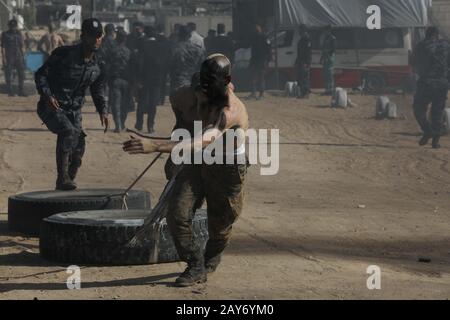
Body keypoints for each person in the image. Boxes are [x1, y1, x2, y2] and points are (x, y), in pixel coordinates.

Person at [123, 54, 249, 287]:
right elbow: (181, 119)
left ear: (225, 82)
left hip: (227, 167)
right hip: (196, 160)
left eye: (210, 85)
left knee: (220, 226)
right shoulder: (184, 95)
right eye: (202, 84)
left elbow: (205, 139)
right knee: (177, 214)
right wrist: (178, 142)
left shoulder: (230, 110)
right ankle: (195, 265)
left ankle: (211, 259)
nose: (204, 90)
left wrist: (155, 145)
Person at [35, 18, 109, 191]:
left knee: (79, 149)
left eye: (99, 36)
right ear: (83, 37)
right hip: (52, 107)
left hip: (74, 111)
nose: (96, 40)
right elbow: (41, 75)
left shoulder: (99, 64)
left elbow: (97, 90)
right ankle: (62, 179)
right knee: (67, 132)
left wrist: (103, 111)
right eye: (92, 36)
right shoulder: (63, 54)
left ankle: (66, 185)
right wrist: (47, 95)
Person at [411, 27, 450, 149]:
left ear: (427, 35)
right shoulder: (447, 45)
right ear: (437, 35)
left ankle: (428, 131)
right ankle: (436, 142)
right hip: (442, 84)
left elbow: (413, 63)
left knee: (418, 109)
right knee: (437, 112)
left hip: (426, 84)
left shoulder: (421, 46)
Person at [135, 26, 168, 133]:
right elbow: (164, 63)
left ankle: (139, 124)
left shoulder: (142, 45)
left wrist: (138, 78)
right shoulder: (161, 47)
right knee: (153, 103)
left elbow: (139, 63)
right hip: (157, 79)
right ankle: (150, 126)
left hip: (144, 78)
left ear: (146, 34)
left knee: (142, 101)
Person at [109, 29, 133, 133]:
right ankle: (122, 123)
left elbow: (107, 66)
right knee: (125, 104)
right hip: (127, 81)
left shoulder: (112, 51)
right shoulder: (129, 52)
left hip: (115, 80)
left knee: (116, 104)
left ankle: (118, 125)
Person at [169, 25, 205, 93]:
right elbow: (202, 67)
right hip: (193, 81)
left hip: (178, 81)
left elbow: (170, 65)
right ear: (189, 36)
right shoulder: (198, 50)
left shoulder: (174, 49)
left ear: (179, 35)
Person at [1, 19, 26, 97]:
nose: (13, 28)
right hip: (9, 56)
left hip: (18, 56)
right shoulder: (5, 34)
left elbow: (22, 46)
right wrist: (3, 58)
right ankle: (10, 91)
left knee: (21, 74)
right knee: (8, 74)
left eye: (14, 26)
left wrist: (23, 56)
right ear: (9, 26)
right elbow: (3, 47)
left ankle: (20, 91)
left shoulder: (19, 34)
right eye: (11, 26)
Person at [248, 24, 271, 100]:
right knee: (253, 77)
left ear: (260, 30)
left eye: (257, 29)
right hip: (254, 59)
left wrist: (268, 60)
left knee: (261, 77)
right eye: (255, 30)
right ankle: (253, 93)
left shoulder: (265, 38)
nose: (256, 31)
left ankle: (261, 93)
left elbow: (269, 49)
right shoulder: (253, 38)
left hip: (262, 59)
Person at [295, 24, 312, 99]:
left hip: (305, 61)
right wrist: (297, 61)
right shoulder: (301, 40)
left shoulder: (307, 40)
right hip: (300, 61)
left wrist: (308, 63)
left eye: (301, 30)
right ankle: (302, 92)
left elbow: (308, 53)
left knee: (305, 77)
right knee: (300, 77)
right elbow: (299, 52)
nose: (299, 32)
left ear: (304, 31)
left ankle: (306, 93)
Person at [320, 25, 336, 96]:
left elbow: (333, 49)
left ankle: (331, 90)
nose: (325, 31)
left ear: (329, 30)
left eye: (326, 30)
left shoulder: (333, 38)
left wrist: (328, 55)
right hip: (325, 58)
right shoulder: (325, 38)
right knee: (325, 74)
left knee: (330, 75)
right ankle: (327, 90)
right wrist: (321, 58)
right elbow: (323, 49)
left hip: (330, 58)